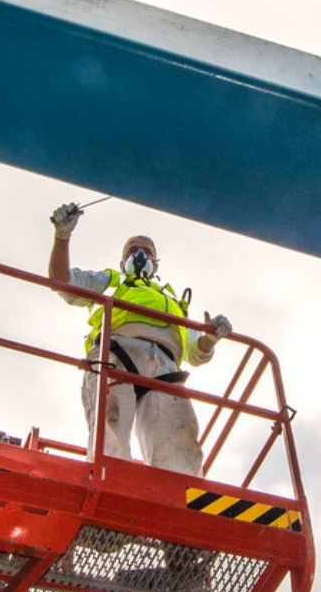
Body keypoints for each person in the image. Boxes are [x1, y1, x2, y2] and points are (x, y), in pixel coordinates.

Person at [47, 202, 230, 472]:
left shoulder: (175, 303)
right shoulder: (110, 282)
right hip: (116, 355)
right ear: (123, 263)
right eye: (133, 250)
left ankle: (176, 497)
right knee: (110, 431)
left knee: (177, 442)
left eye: (146, 251)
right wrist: (62, 236)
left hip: (164, 368)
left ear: (155, 264)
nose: (140, 254)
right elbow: (62, 282)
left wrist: (211, 337)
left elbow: (195, 352)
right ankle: (108, 483)